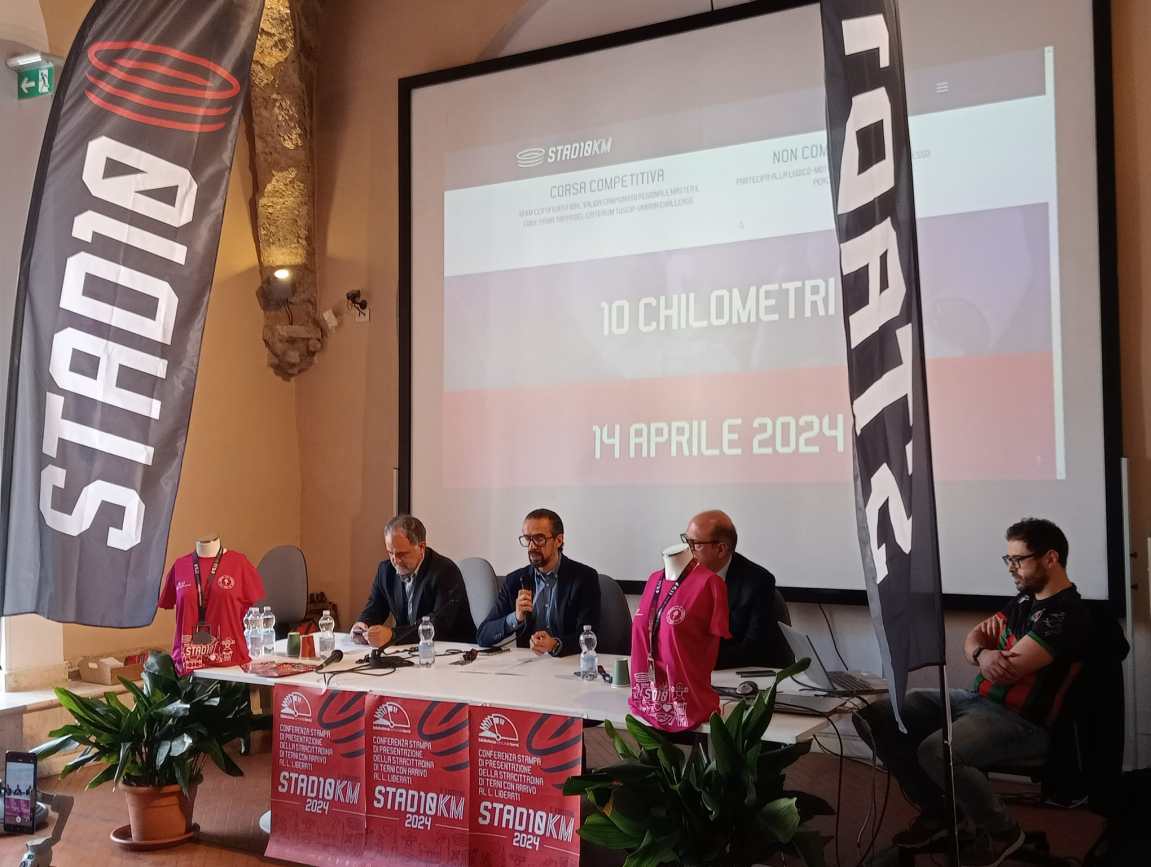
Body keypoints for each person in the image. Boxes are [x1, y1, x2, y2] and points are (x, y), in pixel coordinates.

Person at [853, 518, 1092, 867]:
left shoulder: (1066, 614)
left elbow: (1008, 669)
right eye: (1008, 559)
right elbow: (974, 640)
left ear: (1051, 558)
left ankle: (1003, 833)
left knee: (937, 751)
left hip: (1021, 721)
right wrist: (983, 653)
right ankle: (941, 814)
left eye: (1018, 560)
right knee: (876, 715)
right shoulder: (1023, 601)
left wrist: (986, 654)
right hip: (976, 701)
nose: (1011, 568)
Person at [476, 508, 600, 657]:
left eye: (539, 539)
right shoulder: (514, 580)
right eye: (527, 539)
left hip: (569, 662)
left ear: (558, 540)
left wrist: (555, 644)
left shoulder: (584, 578)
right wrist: (516, 617)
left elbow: (590, 636)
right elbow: (483, 635)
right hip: (529, 664)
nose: (532, 546)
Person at [682, 510, 793, 669]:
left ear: (721, 549)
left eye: (695, 544)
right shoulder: (682, 575)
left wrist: (695, 660)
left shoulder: (758, 582)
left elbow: (752, 649)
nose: (687, 550)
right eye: (687, 541)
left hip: (746, 672)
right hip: (698, 670)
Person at [350, 515, 476, 646]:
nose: (395, 561)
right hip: (410, 649)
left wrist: (393, 635)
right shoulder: (385, 570)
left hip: (454, 649)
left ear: (421, 547)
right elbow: (375, 607)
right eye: (390, 553)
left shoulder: (445, 571)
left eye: (401, 554)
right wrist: (362, 625)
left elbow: (438, 625)